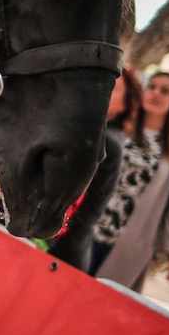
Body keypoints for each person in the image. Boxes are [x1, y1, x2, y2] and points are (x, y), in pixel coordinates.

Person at [93, 70, 169, 292]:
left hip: (127, 243)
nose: (155, 93)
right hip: (87, 228)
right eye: (151, 87)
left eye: (165, 91)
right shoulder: (118, 128)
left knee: (100, 302)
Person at [47, 66, 145, 268]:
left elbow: (89, 211)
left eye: (112, 88)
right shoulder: (94, 131)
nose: (102, 90)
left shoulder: (107, 141)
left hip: (59, 254)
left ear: (125, 104)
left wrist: (49, 248)